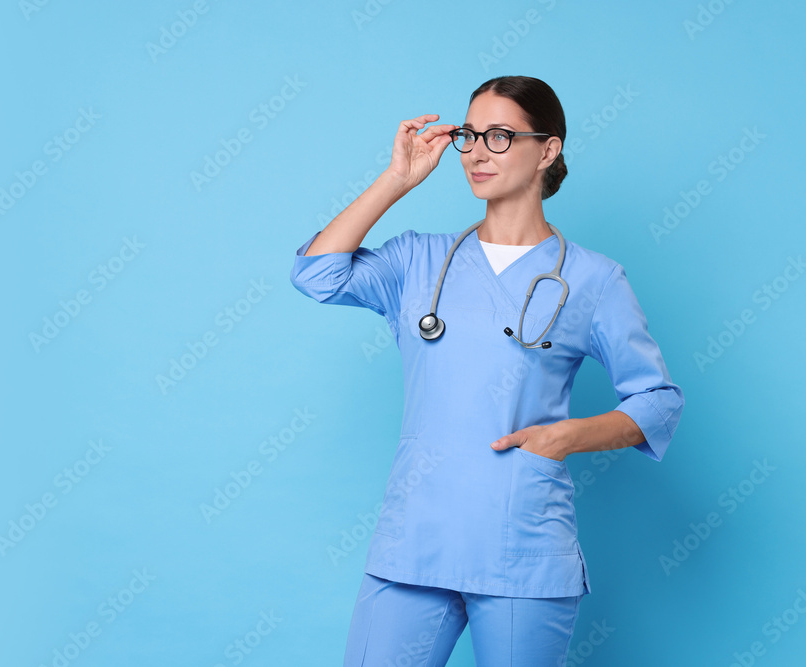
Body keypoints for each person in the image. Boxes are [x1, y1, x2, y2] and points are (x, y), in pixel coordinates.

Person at [288, 76, 685, 666]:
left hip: (522, 543)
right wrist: (396, 181)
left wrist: (565, 437)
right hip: (415, 543)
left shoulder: (594, 280)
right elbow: (317, 275)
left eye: (499, 136)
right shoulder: (418, 259)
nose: (476, 152)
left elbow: (657, 400)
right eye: (470, 136)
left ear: (547, 149)